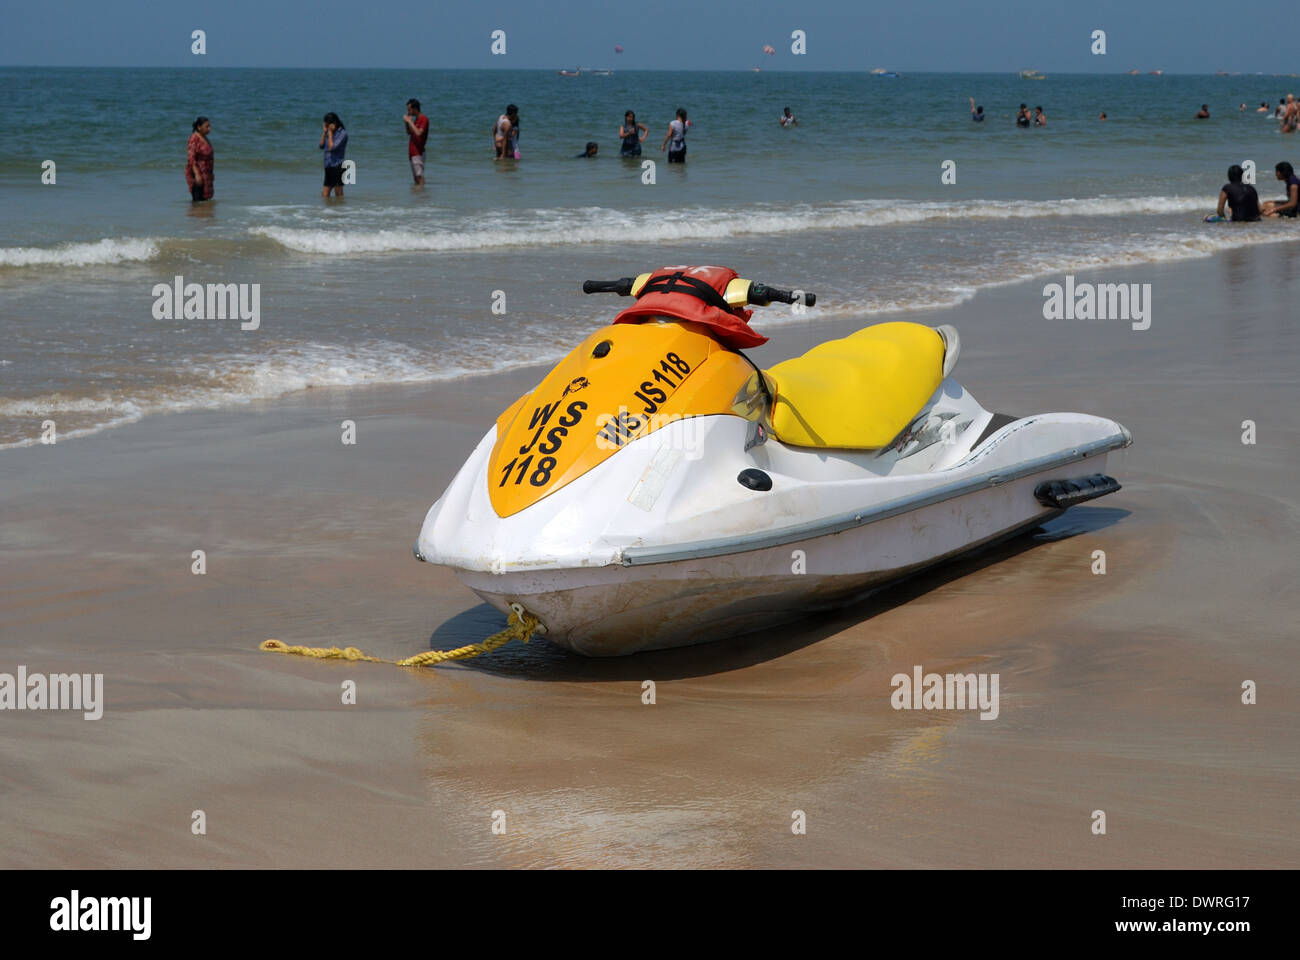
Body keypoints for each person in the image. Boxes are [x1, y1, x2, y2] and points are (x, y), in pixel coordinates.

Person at [319, 112, 347, 198]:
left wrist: (330, 133)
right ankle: (329, 210)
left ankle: (341, 210)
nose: (327, 126)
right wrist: (324, 133)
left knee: (338, 194)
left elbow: (332, 147)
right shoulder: (328, 133)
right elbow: (321, 146)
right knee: (325, 195)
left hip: (338, 166)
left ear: (333, 123)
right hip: (329, 165)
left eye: (328, 124)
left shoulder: (342, 133)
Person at [185, 116, 213, 202]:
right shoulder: (194, 138)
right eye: (207, 127)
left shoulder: (204, 138)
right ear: (199, 127)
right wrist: (197, 175)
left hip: (206, 174)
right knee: (198, 202)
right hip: (197, 174)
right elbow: (191, 158)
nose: (209, 129)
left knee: (205, 201)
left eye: (210, 126)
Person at [404, 99, 429, 185]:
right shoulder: (416, 120)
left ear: (415, 109)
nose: (408, 112)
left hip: (418, 152)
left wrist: (410, 121)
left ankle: (422, 195)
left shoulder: (423, 119)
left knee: (419, 176)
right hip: (412, 152)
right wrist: (406, 123)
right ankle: (418, 196)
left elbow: (418, 133)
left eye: (409, 110)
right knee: (416, 178)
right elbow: (409, 132)